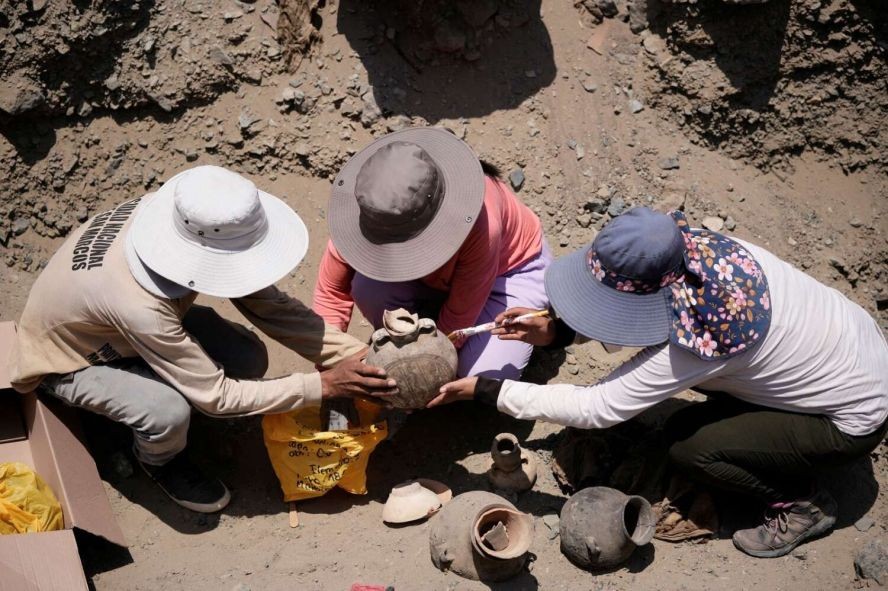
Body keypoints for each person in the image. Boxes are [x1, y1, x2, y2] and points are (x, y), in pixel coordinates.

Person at [428, 207, 888, 558]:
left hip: (849, 421)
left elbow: (596, 407)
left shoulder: (705, 335)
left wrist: (487, 390)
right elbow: (630, 307)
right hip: (856, 349)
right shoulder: (692, 252)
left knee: (690, 448)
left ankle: (802, 503)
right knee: (690, 408)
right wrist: (557, 329)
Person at [9, 165, 396, 514]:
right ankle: (160, 460)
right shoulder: (140, 306)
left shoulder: (178, 217)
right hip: (72, 359)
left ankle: (162, 390)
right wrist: (323, 386)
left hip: (120, 327)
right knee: (167, 411)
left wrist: (365, 356)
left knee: (246, 356)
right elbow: (217, 397)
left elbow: (270, 306)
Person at [312, 126, 550, 380]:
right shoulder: (374, 206)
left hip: (508, 274)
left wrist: (421, 373)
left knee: (480, 377)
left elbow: (458, 320)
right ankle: (415, 330)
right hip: (440, 279)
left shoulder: (481, 223)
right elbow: (331, 293)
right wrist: (330, 371)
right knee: (368, 288)